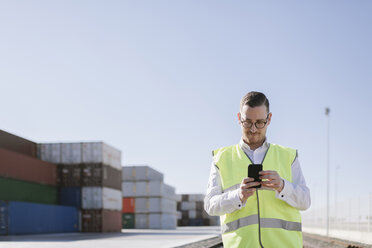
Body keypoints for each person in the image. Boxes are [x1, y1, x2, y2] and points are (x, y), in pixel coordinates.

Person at [204, 91, 310, 248]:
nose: (253, 129)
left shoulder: (288, 156)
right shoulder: (221, 158)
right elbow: (210, 205)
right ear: (239, 118)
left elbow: (305, 201)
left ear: (269, 119)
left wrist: (282, 186)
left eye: (260, 122)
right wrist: (237, 196)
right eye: (248, 122)